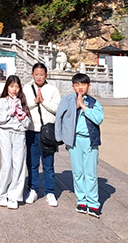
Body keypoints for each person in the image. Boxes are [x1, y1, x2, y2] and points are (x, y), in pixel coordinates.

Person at [55, 73, 104, 217]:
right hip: (74, 140)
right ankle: (81, 200)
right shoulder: (67, 100)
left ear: (89, 86)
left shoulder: (94, 103)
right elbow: (59, 118)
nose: (80, 87)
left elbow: (99, 118)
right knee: (77, 172)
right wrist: (59, 137)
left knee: (91, 173)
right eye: (77, 84)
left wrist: (84, 107)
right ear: (73, 86)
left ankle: (93, 202)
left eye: (83, 84)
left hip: (90, 141)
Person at [23, 62, 61, 207]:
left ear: (46, 75)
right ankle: (32, 189)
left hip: (47, 132)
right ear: (32, 75)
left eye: (42, 74)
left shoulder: (52, 89)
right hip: (32, 130)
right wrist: (34, 102)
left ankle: (50, 191)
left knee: (48, 163)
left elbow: (58, 108)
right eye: (36, 74)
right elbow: (22, 106)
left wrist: (43, 102)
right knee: (32, 163)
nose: (39, 77)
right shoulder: (27, 88)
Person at [0, 75, 31, 209]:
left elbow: (28, 123)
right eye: (12, 86)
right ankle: (2, 193)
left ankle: (14, 196)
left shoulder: (22, 102)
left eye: (17, 86)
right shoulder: (2, 101)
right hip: (5, 132)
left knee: (19, 164)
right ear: (7, 87)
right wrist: (10, 112)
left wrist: (22, 117)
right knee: (7, 163)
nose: (14, 89)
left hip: (19, 134)